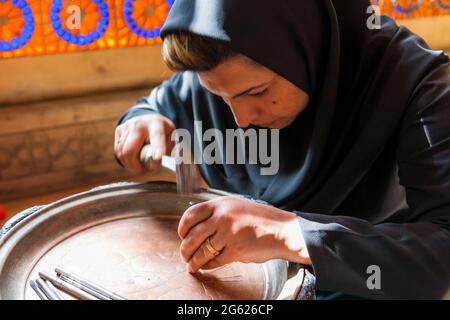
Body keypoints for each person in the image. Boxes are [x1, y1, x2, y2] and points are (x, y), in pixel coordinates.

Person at [115, 0, 450, 299]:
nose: (241, 120)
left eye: (258, 92)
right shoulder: (223, 64)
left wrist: (289, 232)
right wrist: (142, 118)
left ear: (307, 44)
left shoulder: (420, 85)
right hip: (244, 280)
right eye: (220, 97)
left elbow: (441, 253)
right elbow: (159, 103)